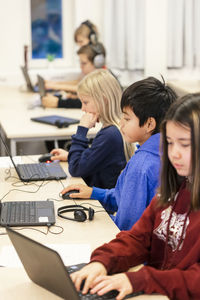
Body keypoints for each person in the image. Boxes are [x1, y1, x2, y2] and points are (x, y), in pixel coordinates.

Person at [70, 93, 200, 300]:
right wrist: (102, 262)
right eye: (169, 142)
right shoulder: (175, 185)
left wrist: (140, 279)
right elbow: (139, 238)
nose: (173, 153)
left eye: (184, 144)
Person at [60, 77, 177, 230]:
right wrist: (94, 193)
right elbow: (126, 197)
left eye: (127, 118)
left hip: (135, 246)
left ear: (149, 124)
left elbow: (126, 228)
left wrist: (94, 221)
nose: (121, 123)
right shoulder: (167, 151)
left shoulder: (141, 166)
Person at [51, 69, 132, 189]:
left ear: (103, 100)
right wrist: (70, 156)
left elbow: (76, 169)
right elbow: (94, 160)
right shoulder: (113, 129)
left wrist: (82, 130)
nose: (83, 108)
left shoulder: (110, 135)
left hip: (101, 205)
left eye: (85, 102)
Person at [42, 42, 106, 109]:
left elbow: (83, 90)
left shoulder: (103, 79)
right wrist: (74, 97)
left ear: (98, 63)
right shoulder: (91, 77)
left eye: (84, 63)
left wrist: (55, 88)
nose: (81, 67)